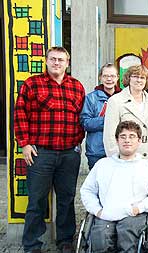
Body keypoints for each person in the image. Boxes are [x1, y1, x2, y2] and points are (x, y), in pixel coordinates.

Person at [14, 46, 85, 253]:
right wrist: (25, 143)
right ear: (46, 61)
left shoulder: (76, 86)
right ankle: (32, 244)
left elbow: (81, 117)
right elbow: (20, 114)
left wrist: (78, 143)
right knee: (36, 200)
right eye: (53, 59)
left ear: (67, 63)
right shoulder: (32, 84)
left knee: (67, 198)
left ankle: (65, 241)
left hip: (69, 153)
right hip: (40, 153)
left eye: (61, 60)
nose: (57, 63)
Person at [80, 120, 148, 252]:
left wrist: (140, 207)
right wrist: (97, 210)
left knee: (127, 235)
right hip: (106, 213)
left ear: (139, 141)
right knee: (100, 237)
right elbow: (87, 191)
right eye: (123, 136)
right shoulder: (103, 165)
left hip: (134, 214)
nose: (127, 140)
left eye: (132, 136)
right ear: (116, 140)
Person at [103, 65, 148, 160]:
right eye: (135, 76)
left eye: (142, 77)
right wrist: (117, 158)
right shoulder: (115, 101)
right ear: (128, 78)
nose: (139, 80)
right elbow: (109, 137)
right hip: (126, 156)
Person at [80, 63, 121, 170]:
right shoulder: (91, 98)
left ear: (117, 77)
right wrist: (108, 120)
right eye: (105, 76)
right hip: (97, 151)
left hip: (119, 149)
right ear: (100, 78)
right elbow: (85, 123)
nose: (109, 79)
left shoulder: (123, 97)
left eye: (112, 76)